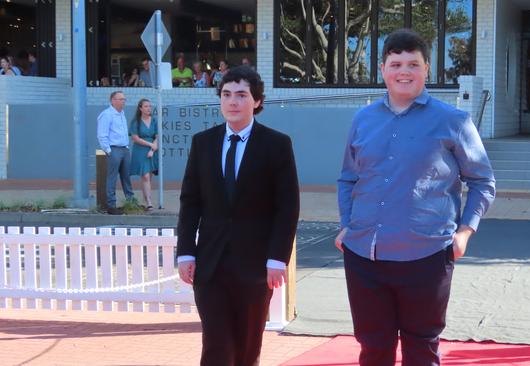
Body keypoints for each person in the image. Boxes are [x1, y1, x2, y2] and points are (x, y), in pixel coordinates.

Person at [335, 29, 496, 365]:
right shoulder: (362, 119)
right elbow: (349, 177)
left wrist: (465, 231)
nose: (403, 71)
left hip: (427, 254)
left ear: (426, 70)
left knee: (421, 349)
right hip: (365, 255)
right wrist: (348, 224)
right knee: (373, 348)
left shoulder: (453, 121)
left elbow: (482, 181)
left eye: (413, 64)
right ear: (383, 69)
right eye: (395, 64)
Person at [176, 66, 299, 365]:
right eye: (227, 94)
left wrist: (277, 258)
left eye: (241, 95)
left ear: (256, 101)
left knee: (246, 347)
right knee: (216, 345)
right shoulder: (203, 142)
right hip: (210, 264)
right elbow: (190, 201)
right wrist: (185, 253)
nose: (233, 102)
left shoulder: (277, 144)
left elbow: (288, 206)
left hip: (256, 266)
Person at [97, 91, 136, 215]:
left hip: (124, 149)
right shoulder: (107, 115)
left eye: (124, 99)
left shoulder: (121, 114)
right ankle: (111, 205)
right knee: (112, 178)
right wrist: (108, 150)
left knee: (126, 177)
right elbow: (102, 135)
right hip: (114, 149)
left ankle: (131, 203)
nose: (123, 101)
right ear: (113, 100)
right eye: (120, 99)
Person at [129, 98, 158, 211]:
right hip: (140, 150)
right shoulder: (136, 121)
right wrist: (150, 144)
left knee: (149, 177)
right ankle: (149, 202)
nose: (148, 108)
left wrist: (153, 148)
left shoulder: (154, 120)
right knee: (145, 176)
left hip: (152, 150)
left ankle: (146, 198)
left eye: (150, 106)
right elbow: (135, 138)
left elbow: (157, 136)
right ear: (140, 108)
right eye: (146, 106)